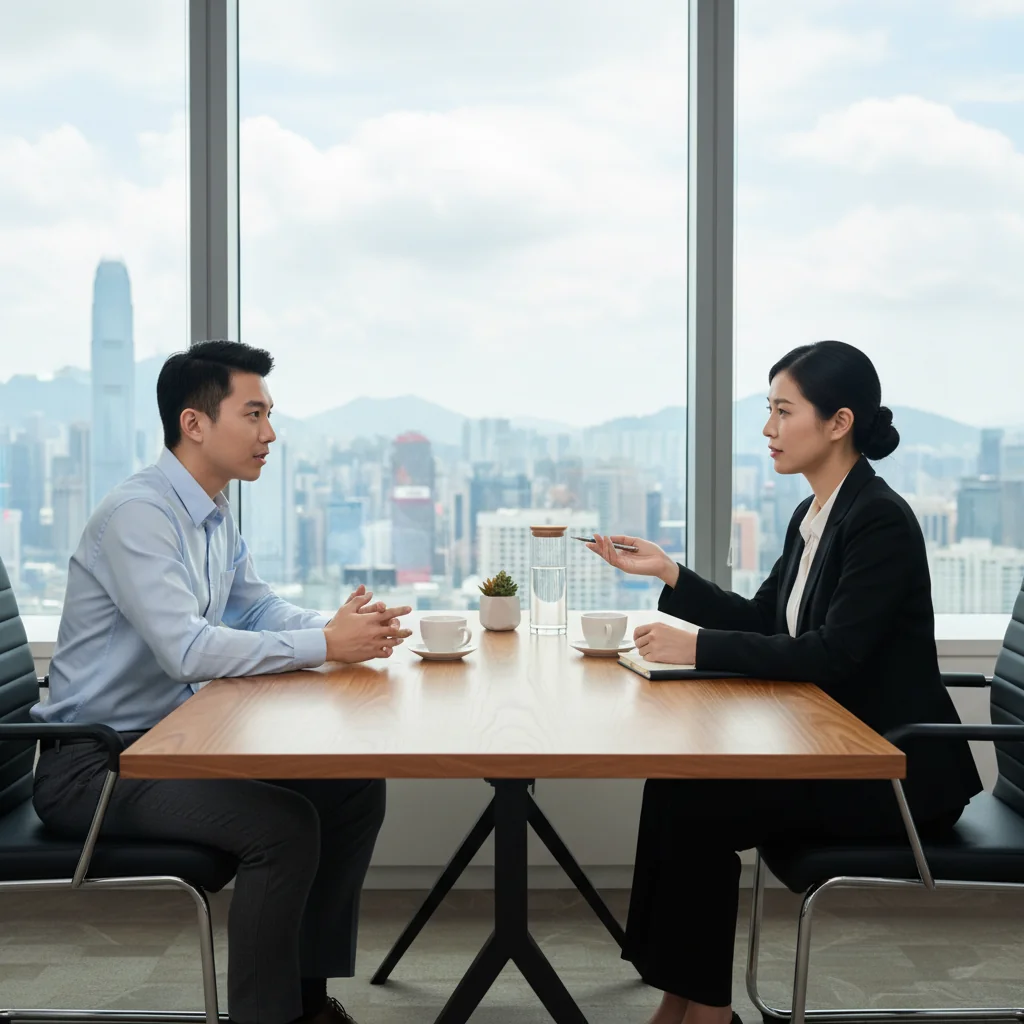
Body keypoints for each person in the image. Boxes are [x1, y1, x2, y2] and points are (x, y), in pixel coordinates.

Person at [585, 340, 982, 1024]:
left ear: (838, 423)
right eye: (768, 411)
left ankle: (705, 1010)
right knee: (678, 783)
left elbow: (832, 655)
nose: (767, 429)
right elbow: (768, 620)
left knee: (699, 806)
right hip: (837, 751)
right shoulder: (815, 514)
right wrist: (671, 575)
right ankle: (683, 998)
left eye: (782, 411)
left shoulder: (877, 520)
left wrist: (699, 646)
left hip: (893, 770)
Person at [31, 340, 413, 1024]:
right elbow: (187, 650)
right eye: (255, 414)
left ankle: (305, 999)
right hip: (93, 766)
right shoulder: (139, 516)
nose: (270, 434)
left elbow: (255, 603)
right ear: (195, 424)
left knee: (351, 786)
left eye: (270, 416)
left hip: (168, 744)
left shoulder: (210, 510)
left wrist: (334, 630)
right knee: (285, 827)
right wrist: (323, 644)